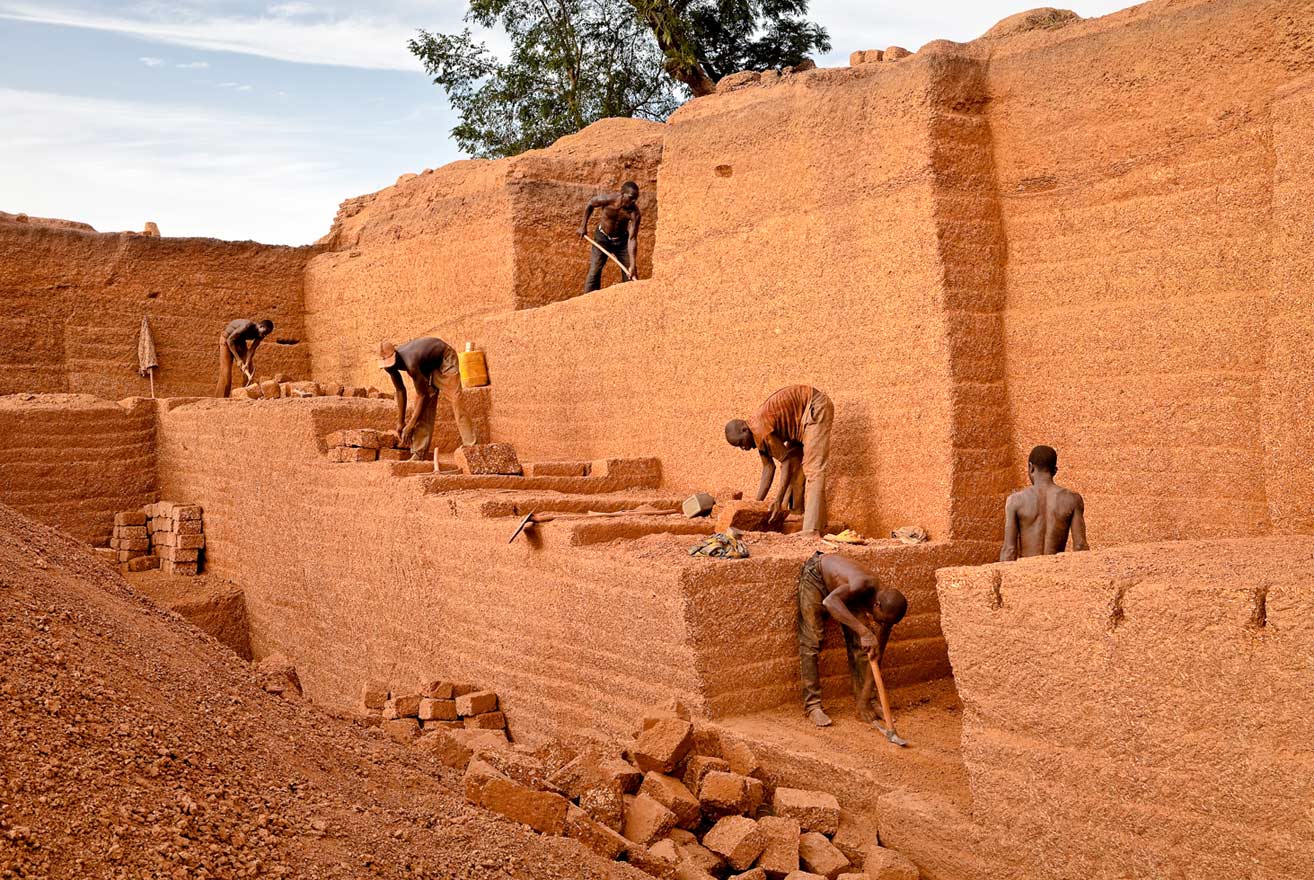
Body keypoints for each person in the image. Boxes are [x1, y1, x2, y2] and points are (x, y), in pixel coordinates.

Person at [796, 551, 908, 728]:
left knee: (863, 648)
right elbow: (830, 602)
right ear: (877, 605)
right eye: (883, 621)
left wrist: (865, 699)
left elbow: (876, 655)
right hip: (816, 577)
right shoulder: (861, 585)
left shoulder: (888, 609)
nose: (883, 624)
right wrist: (865, 632)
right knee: (812, 639)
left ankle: (868, 701)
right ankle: (813, 706)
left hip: (842, 593)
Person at [724, 385, 834, 534]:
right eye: (739, 447)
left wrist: (777, 500)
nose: (743, 448)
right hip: (799, 426)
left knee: (814, 469)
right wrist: (756, 506)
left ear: (744, 429)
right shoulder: (755, 435)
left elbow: (785, 461)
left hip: (814, 408)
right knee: (795, 469)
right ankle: (801, 516)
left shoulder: (759, 429)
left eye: (741, 443)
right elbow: (768, 469)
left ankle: (811, 529)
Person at [378, 337, 477, 461]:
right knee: (423, 409)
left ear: (396, 355)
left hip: (444, 358)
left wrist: (411, 424)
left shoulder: (411, 362)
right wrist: (400, 422)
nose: (389, 366)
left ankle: (471, 447)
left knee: (456, 400)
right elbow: (400, 390)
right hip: (426, 366)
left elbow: (422, 395)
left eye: (390, 362)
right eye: (386, 363)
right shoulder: (389, 367)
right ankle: (419, 452)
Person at [1000, 445, 1089, 560]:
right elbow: (1080, 545)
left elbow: (1009, 550)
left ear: (1030, 467)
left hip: (1026, 571)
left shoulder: (1016, 500)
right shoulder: (1072, 499)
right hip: (1055, 572)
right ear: (1055, 471)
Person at [579, 181, 641, 293]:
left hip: (622, 241)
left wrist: (632, 265)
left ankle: (629, 301)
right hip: (602, 238)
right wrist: (583, 226)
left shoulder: (634, 213)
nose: (633, 202)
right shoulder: (608, 200)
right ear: (622, 193)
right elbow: (590, 204)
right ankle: (588, 301)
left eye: (635, 199)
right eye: (631, 198)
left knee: (631, 273)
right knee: (594, 272)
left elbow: (632, 239)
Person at [216, 318, 273, 398]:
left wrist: (247, 362)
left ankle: (245, 395)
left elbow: (251, 350)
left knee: (249, 368)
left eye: (267, 334)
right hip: (227, 340)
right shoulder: (247, 326)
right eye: (265, 332)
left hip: (240, 342)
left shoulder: (260, 335)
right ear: (261, 326)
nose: (265, 335)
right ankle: (221, 399)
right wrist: (238, 359)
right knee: (226, 372)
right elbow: (230, 340)